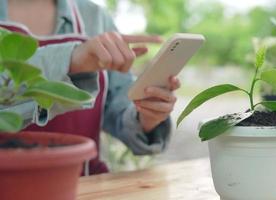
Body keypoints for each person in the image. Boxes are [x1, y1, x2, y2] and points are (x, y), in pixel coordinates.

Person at [0, 0, 180, 174]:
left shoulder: (95, 17)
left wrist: (147, 116)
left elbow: (119, 108)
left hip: (81, 186)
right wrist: (71, 60)